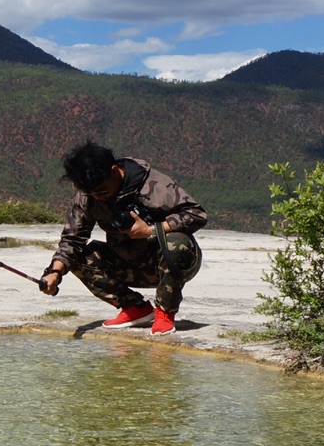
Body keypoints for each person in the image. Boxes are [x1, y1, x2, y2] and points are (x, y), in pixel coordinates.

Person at [38, 142, 206, 335]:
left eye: (101, 191)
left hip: (166, 263)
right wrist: (54, 273)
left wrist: (153, 229)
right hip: (126, 262)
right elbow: (72, 239)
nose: (97, 197)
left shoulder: (154, 185)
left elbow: (197, 214)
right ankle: (135, 308)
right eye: (90, 193)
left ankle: (165, 312)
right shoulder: (89, 195)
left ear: (115, 170)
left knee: (177, 243)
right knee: (79, 257)